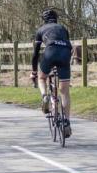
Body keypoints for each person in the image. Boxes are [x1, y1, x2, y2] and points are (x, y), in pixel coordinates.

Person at [30, 9, 72, 138]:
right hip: (65, 53)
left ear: (44, 20)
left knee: (42, 78)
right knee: (64, 91)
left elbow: (35, 54)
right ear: (56, 19)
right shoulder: (63, 28)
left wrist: (34, 72)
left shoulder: (41, 30)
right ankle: (66, 122)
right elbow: (67, 45)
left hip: (50, 51)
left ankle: (45, 97)